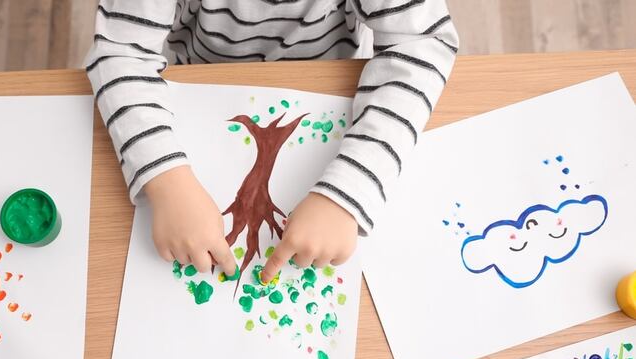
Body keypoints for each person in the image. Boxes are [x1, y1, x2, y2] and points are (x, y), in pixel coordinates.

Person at [86, 0, 458, 282]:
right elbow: (120, 52)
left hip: (329, 79)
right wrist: (166, 181)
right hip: (202, 83)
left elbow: (423, 42)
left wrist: (348, 193)